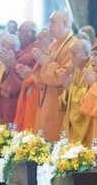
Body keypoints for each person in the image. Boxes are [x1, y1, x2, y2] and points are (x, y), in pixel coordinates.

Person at [33, 10, 76, 141]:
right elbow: (40, 74)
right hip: (46, 101)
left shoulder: (73, 45)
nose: (49, 25)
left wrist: (47, 63)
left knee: (55, 143)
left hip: (59, 103)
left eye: (52, 22)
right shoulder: (53, 45)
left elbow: (64, 77)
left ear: (65, 23)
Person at [59, 39, 93, 146]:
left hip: (85, 123)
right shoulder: (77, 69)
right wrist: (68, 89)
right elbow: (69, 92)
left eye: (74, 54)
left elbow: (90, 96)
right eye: (70, 54)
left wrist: (70, 87)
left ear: (87, 54)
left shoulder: (91, 69)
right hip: (72, 121)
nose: (71, 57)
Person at [0, 33, 22, 125]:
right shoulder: (1, 61)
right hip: (0, 100)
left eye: (4, 45)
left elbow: (17, 84)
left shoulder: (19, 59)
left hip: (12, 101)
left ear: (14, 48)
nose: (0, 48)